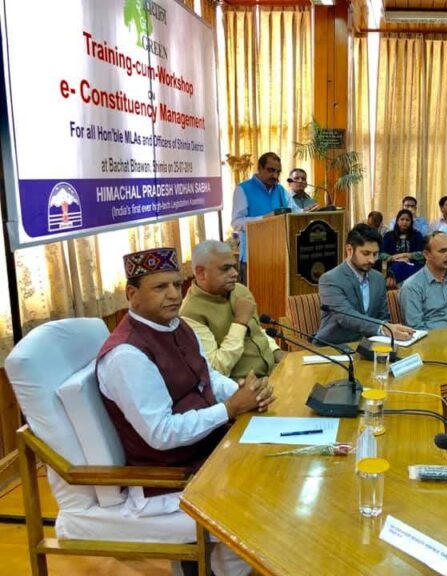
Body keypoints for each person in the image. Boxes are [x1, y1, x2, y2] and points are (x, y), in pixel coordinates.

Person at [97, 247, 272, 576]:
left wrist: (244, 392)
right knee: (260, 502)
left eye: (177, 285)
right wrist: (229, 408)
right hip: (168, 477)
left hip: (205, 453)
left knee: (276, 466)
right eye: (160, 287)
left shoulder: (177, 326)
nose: (174, 294)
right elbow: (161, 433)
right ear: (132, 295)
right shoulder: (127, 355)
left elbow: (208, 376)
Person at [180, 240, 285, 379]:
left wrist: (278, 353)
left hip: (274, 372)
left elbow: (257, 332)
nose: (235, 273)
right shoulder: (189, 314)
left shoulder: (240, 291)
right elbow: (216, 370)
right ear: (201, 273)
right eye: (225, 269)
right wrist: (240, 323)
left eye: (234, 267)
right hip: (241, 387)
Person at [315, 224, 414, 344]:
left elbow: (383, 317)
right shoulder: (330, 279)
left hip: (370, 345)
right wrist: (383, 328)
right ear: (349, 250)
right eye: (366, 253)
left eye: (375, 254)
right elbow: (346, 317)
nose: (372, 260)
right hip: (335, 347)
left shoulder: (378, 278)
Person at [231, 152, 302, 265]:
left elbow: (295, 211)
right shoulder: (243, 189)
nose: (275, 176)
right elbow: (236, 223)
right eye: (271, 170)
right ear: (259, 168)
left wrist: (307, 212)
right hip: (253, 259)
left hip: (278, 256)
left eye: (278, 172)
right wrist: (264, 219)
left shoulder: (280, 189)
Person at [400, 231, 447, 330]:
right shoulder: (412, 286)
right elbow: (416, 328)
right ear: (427, 255)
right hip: (431, 338)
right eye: (443, 251)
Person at [380, 209, 426, 285]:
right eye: (402, 219)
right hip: (394, 264)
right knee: (398, 267)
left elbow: (422, 254)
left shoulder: (417, 235)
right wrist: (396, 259)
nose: (404, 222)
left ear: (411, 222)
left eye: (407, 220)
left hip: (413, 264)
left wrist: (405, 255)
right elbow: (382, 254)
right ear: (397, 221)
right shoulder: (389, 235)